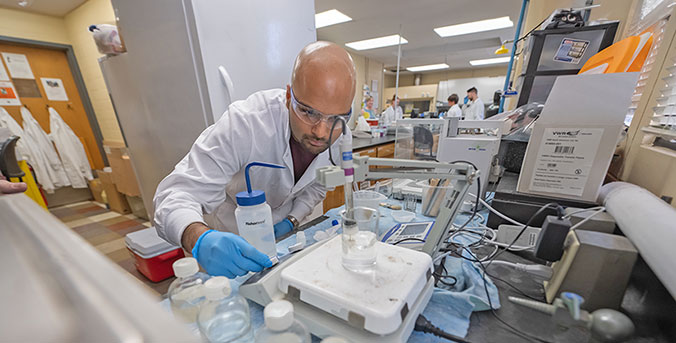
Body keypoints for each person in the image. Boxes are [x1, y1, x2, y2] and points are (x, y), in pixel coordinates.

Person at [153, 41, 356, 278]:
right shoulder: (246, 123)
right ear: (289, 96)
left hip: (287, 234)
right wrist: (199, 239)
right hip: (234, 237)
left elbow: (318, 186)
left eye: (336, 117)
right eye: (309, 112)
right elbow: (174, 195)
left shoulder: (341, 135)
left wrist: (292, 219)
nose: (321, 132)